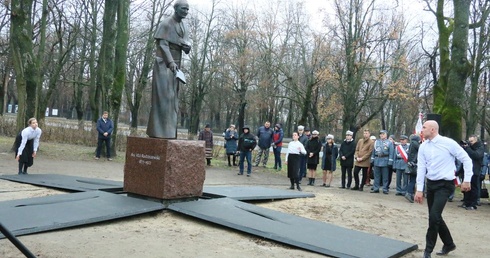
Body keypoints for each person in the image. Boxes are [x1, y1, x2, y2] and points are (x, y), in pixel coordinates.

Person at [415, 120, 473, 258]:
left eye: (424, 127)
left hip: (445, 185)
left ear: (433, 130)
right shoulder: (423, 147)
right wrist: (419, 189)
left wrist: (467, 180)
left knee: (434, 217)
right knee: (435, 216)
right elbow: (421, 168)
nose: (421, 130)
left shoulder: (448, 143)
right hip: (431, 184)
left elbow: (466, 159)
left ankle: (427, 251)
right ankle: (449, 243)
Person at [147, 0, 191, 139]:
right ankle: (158, 132)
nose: (186, 11)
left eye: (187, 9)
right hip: (164, 65)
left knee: (173, 100)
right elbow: (163, 45)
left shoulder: (183, 26)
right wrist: (171, 63)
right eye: (184, 9)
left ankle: (169, 133)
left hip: (176, 66)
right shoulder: (166, 24)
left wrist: (187, 48)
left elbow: (183, 44)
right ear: (176, 9)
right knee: (163, 98)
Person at [460, 135, 484, 210]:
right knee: (466, 187)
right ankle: (466, 202)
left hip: (475, 169)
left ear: (476, 140)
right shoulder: (469, 148)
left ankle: (473, 204)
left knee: (473, 187)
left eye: (471, 141)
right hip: (467, 169)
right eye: (469, 141)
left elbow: (476, 155)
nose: (470, 143)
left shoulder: (480, 147)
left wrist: (468, 148)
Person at [370, 130, 394, 194]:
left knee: (385, 176)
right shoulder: (376, 142)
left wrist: (390, 161)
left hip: (385, 160)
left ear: (386, 135)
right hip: (377, 159)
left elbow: (391, 153)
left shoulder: (389, 143)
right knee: (376, 175)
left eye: (383, 134)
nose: (381, 135)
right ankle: (376, 188)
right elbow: (373, 152)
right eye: (380, 134)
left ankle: (385, 189)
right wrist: (372, 159)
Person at [404, 134, 420, 203]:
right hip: (414, 164)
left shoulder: (411, 144)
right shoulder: (416, 145)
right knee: (413, 180)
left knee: (412, 179)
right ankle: (409, 193)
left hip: (411, 164)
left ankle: (410, 193)